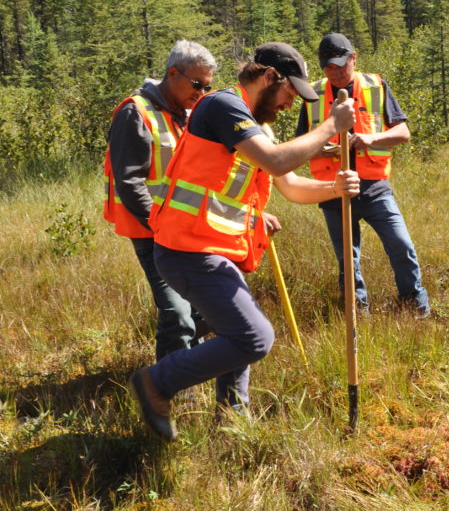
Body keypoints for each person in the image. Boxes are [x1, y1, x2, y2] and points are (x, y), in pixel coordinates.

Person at [128, 42, 359, 441]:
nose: (288, 105)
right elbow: (276, 161)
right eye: (289, 93)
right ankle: (156, 383)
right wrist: (330, 126)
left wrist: (334, 188)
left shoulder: (257, 127)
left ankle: (232, 424)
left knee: (236, 336)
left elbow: (289, 186)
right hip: (188, 249)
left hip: (217, 250)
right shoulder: (222, 105)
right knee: (254, 338)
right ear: (269, 77)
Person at [296, 32, 430, 317]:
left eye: (340, 65)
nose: (335, 72)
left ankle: (415, 309)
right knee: (347, 261)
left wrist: (371, 139)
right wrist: (327, 148)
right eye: (328, 67)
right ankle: (357, 314)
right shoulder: (313, 94)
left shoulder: (376, 86)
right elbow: (299, 147)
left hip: (375, 188)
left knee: (402, 247)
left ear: (354, 59)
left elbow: (403, 133)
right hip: (333, 190)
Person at [104, 40, 217, 360]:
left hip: (187, 230)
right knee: (177, 314)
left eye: (208, 86)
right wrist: (161, 224)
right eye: (197, 84)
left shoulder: (190, 111)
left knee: (206, 308)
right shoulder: (135, 111)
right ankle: (173, 388)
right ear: (172, 73)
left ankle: (191, 365)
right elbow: (129, 181)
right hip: (153, 232)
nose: (202, 91)